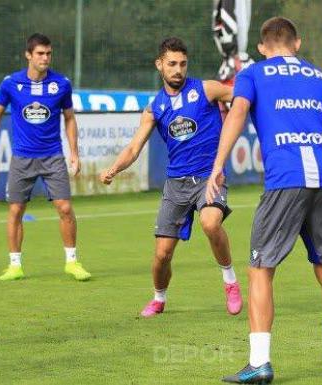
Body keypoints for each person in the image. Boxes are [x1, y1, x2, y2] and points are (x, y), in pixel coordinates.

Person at [207, 17, 322, 383]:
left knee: (260, 269)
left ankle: (260, 363)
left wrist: (218, 165)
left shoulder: (253, 74)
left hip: (285, 180)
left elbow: (238, 112)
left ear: (261, 47)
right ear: (297, 43)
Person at [99, 37, 243, 318]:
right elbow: (133, 148)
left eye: (183, 64)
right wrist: (114, 168)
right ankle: (159, 298)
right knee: (162, 255)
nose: (178, 69)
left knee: (211, 223)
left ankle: (230, 282)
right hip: (176, 184)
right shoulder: (155, 108)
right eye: (172, 64)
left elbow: (244, 99)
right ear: (159, 65)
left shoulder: (207, 89)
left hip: (208, 177)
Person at [0, 33, 91, 282]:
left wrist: (74, 153)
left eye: (49, 53)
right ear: (28, 55)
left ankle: (72, 262)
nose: (45, 58)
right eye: (40, 53)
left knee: (65, 207)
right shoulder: (11, 84)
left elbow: (70, 118)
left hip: (53, 156)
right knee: (16, 209)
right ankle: (15, 265)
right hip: (22, 158)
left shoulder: (62, 84)